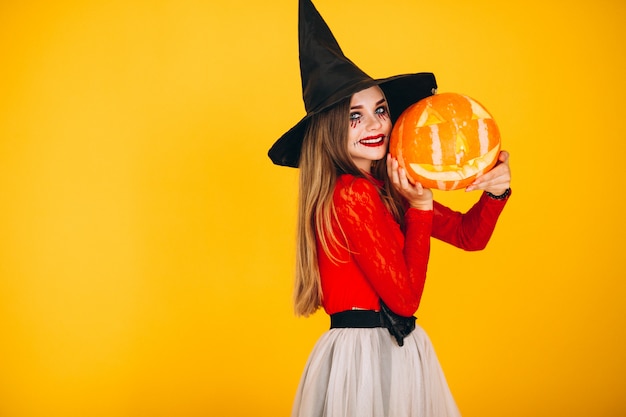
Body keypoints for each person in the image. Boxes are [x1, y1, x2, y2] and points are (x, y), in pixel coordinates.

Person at [268, 1, 511, 416]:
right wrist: (418, 207)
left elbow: (469, 237)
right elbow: (404, 300)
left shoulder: (387, 188)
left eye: (380, 110)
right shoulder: (350, 194)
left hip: (392, 352)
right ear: (328, 130)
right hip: (366, 358)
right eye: (354, 117)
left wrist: (494, 193)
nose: (376, 124)